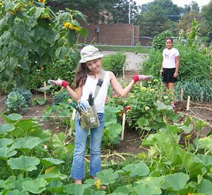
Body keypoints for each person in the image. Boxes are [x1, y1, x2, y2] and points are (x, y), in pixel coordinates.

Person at [48, 45, 152, 184]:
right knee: (79, 149)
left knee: (96, 149)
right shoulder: (83, 76)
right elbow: (78, 98)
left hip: (99, 115)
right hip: (84, 113)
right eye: (89, 64)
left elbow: (122, 93)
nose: (93, 65)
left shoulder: (108, 75)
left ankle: (95, 178)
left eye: (95, 61)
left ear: (100, 58)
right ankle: (77, 181)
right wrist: (65, 85)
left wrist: (135, 79)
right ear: (86, 65)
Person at [160, 37, 180, 108]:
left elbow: (177, 61)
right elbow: (163, 60)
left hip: (171, 70)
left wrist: (176, 72)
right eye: (167, 43)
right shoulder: (164, 51)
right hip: (165, 69)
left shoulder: (175, 51)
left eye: (169, 43)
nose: (168, 44)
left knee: (171, 86)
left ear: (172, 43)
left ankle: (172, 102)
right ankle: (167, 101)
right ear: (165, 43)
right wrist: (161, 69)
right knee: (166, 86)